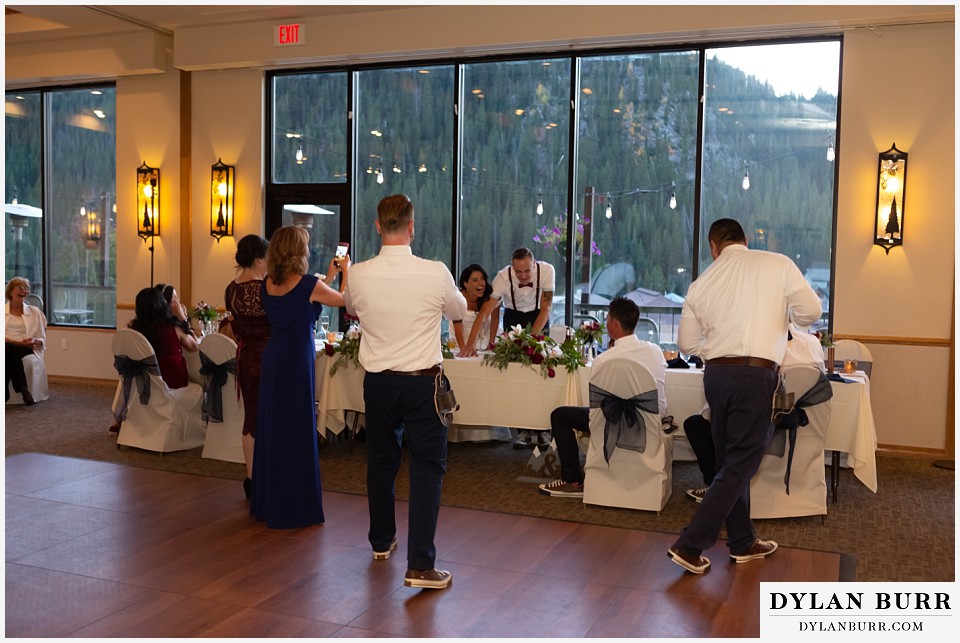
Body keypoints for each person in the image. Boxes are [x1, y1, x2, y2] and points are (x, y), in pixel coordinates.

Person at [668, 218, 821, 575]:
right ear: (745, 241)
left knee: (728, 464)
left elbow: (686, 345)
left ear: (713, 247)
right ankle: (690, 544)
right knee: (740, 464)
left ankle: (742, 542)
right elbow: (811, 311)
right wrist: (789, 322)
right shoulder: (777, 264)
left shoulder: (700, 284)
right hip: (755, 377)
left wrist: (720, 347)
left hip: (716, 378)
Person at [344, 194, 466, 590]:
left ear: (378, 226)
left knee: (381, 462)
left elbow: (351, 308)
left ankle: (381, 541)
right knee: (427, 468)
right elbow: (460, 311)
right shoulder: (434, 272)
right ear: (412, 227)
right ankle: (420, 564)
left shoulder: (359, 273)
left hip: (378, 383)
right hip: (421, 383)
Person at [250, 225, 347, 529]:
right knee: (296, 428)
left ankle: (269, 502)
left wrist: (327, 279)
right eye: (304, 245)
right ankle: (296, 506)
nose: (308, 249)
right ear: (297, 251)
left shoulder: (267, 283)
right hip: (296, 361)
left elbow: (305, 299)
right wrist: (346, 272)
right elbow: (343, 301)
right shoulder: (306, 285)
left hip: (274, 357)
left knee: (274, 428)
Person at [682, 323, 828, 503]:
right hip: (804, 425)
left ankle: (718, 488)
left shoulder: (756, 348)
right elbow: (819, 384)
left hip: (760, 425)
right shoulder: (812, 344)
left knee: (700, 425)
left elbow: (715, 411)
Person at [538, 296, 668, 497]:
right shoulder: (655, 351)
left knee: (560, 415)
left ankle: (572, 481)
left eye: (607, 320)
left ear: (615, 323)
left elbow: (598, 403)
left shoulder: (604, 360)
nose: (606, 325)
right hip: (651, 421)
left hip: (613, 423)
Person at [462, 247, 555, 447]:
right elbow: (486, 311)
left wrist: (530, 341)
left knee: (540, 373)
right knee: (517, 375)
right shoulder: (503, 277)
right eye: (518, 271)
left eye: (527, 271)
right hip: (513, 318)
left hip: (539, 318)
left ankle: (543, 430)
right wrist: (470, 344)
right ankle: (522, 431)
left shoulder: (547, 271)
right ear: (512, 267)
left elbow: (546, 308)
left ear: (534, 263)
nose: (522, 276)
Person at [224, 234, 271, 500]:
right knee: (268, 418)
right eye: (266, 259)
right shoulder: (265, 289)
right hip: (267, 357)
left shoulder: (231, 289)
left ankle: (251, 478)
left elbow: (233, 325)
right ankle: (268, 476)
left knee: (250, 419)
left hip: (245, 356)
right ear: (258, 259)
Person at [5, 277, 46, 406]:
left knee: (8, 350)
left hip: (27, 347)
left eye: (25, 288)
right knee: (8, 350)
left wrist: (37, 341)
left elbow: (41, 336)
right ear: (10, 291)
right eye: (19, 287)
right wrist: (20, 343)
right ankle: (23, 388)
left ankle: (4, 389)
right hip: (8, 345)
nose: (23, 290)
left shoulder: (34, 312)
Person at [452, 263, 500, 354]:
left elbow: (495, 319)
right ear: (466, 284)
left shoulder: (490, 297)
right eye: (475, 280)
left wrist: (492, 343)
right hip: (460, 344)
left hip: (486, 345)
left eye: (482, 279)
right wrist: (464, 349)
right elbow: (457, 324)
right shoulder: (457, 298)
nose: (480, 283)